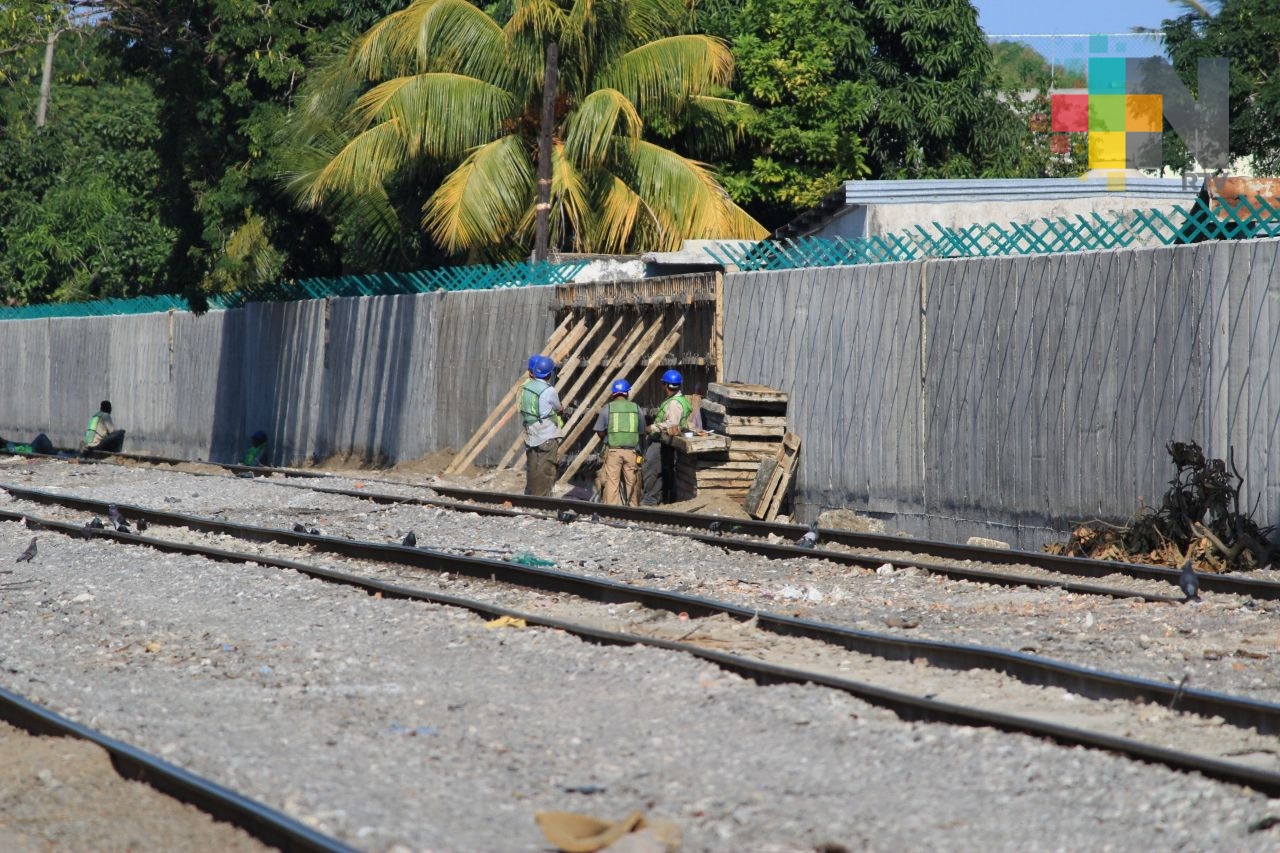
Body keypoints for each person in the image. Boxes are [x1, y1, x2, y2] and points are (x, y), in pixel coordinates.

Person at [519, 354, 571, 496]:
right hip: (546, 434)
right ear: (549, 374)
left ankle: (531, 495)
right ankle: (543, 500)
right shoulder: (549, 390)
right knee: (547, 468)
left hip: (531, 433)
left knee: (533, 467)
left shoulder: (526, 388)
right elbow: (557, 407)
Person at [643, 369, 696, 505]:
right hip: (666, 442)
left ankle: (650, 501)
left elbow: (672, 423)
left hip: (661, 441)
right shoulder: (678, 400)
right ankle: (658, 500)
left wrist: (652, 427)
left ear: (666, 385)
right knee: (661, 472)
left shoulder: (674, 403)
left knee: (651, 471)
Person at [593, 378, 646, 506]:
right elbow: (642, 430)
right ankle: (633, 509)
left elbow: (599, 430)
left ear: (613, 393)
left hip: (613, 451)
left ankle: (611, 510)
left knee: (612, 481)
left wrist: (607, 438)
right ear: (627, 393)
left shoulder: (608, 408)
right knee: (632, 481)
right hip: (632, 451)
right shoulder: (636, 408)